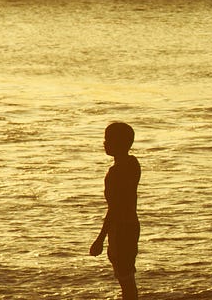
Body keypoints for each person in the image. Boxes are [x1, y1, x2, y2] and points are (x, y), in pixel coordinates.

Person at [90, 122, 141, 299]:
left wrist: (100, 239)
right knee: (127, 278)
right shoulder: (133, 164)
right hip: (132, 226)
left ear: (117, 143)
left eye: (108, 139)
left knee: (125, 279)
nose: (104, 143)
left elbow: (115, 209)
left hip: (121, 229)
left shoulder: (116, 172)